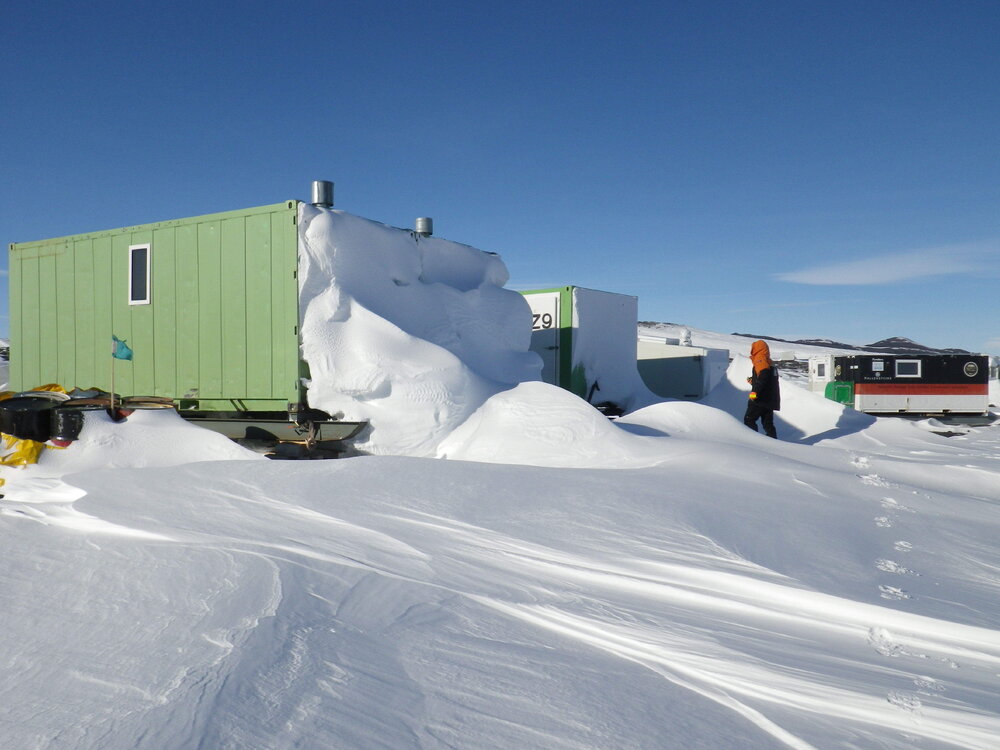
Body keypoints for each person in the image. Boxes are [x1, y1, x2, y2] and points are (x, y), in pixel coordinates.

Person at [744, 339, 780, 438]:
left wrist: (754, 393)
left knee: (749, 419)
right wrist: (753, 381)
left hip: (760, 399)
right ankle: (774, 442)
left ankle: (754, 441)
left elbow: (763, 376)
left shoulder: (760, 359)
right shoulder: (769, 362)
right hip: (770, 399)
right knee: (768, 424)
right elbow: (767, 380)